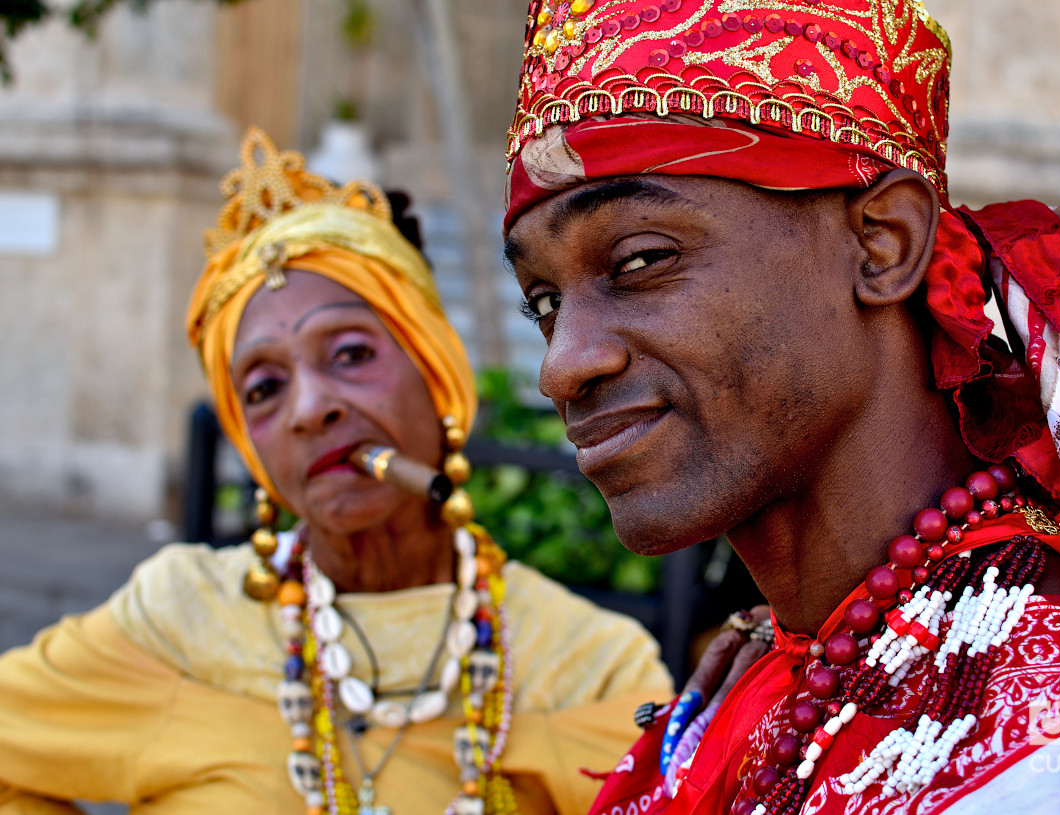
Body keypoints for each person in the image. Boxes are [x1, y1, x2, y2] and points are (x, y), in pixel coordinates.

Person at [500, 1, 1060, 813]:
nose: (563, 365)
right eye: (544, 301)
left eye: (640, 259)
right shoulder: (758, 678)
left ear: (884, 243)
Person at [0, 128, 672, 814]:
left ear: (436, 376)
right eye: (262, 388)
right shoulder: (181, 617)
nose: (311, 407)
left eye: (349, 354)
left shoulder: (586, 666)